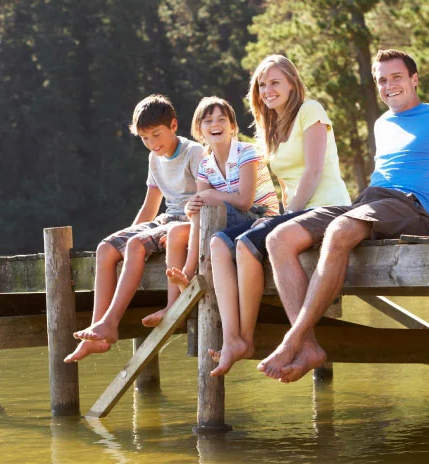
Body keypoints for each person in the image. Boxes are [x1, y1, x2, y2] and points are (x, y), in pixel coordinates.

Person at [258, 49, 429, 383]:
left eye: (396, 77)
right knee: (279, 238)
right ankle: (310, 348)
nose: (388, 86)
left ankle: (292, 338)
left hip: (411, 206)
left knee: (340, 230)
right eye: (381, 80)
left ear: (415, 79)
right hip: (369, 202)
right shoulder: (382, 123)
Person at [206, 54, 351, 376]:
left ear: (291, 84)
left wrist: (284, 219)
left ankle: (282, 342)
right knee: (219, 243)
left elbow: (313, 172)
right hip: (295, 213)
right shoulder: (268, 125)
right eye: (261, 84)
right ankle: (235, 339)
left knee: (247, 244)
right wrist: (272, 216)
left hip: (327, 208)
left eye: (274, 82)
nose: (267, 89)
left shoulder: (310, 111)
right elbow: (279, 184)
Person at [64, 94, 204, 363]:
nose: (152, 144)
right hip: (165, 219)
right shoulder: (155, 158)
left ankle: (111, 323)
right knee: (105, 248)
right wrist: (128, 241)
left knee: (135, 245)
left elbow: (204, 201)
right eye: (145, 138)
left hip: (188, 221)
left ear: (174, 125)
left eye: (156, 134)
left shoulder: (193, 153)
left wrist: (136, 244)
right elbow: (150, 206)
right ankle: (99, 331)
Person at [141, 96, 279, 327]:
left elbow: (245, 202)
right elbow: (199, 203)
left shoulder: (246, 152)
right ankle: (171, 304)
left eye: (222, 119)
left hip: (260, 219)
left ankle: (188, 272)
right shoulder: (206, 164)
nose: (215, 125)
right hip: (228, 219)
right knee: (176, 232)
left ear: (233, 127)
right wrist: (190, 206)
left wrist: (208, 198)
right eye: (208, 121)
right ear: (199, 130)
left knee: (203, 208)